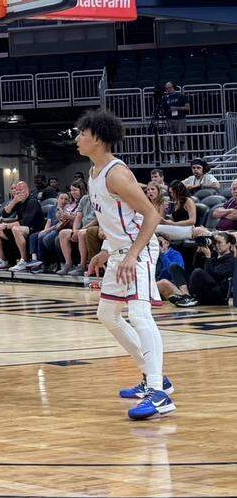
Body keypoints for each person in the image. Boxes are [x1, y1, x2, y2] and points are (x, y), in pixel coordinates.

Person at [74, 110, 175, 420]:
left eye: (82, 133)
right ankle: (153, 375)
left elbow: (151, 215)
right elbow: (116, 219)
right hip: (120, 249)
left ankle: (159, 394)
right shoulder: (93, 173)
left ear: (98, 139)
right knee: (107, 314)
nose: (77, 138)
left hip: (139, 250)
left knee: (140, 314)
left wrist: (132, 254)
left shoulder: (117, 174)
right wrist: (106, 250)